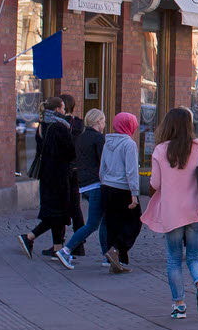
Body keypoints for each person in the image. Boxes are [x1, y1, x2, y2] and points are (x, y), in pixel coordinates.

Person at [143, 106, 198, 319]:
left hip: (171, 213)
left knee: (174, 259)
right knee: (195, 257)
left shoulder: (161, 150)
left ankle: (179, 305)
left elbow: (155, 183)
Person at [23, 96, 80, 260]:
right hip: (59, 175)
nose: (64, 111)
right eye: (62, 108)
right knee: (58, 212)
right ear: (57, 110)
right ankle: (30, 237)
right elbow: (70, 152)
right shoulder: (60, 127)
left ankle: (57, 248)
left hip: (46, 175)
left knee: (56, 212)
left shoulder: (42, 126)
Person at [63, 108, 110, 264]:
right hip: (96, 183)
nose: (104, 124)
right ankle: (66, 250)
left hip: (84, 184)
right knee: (93, 224)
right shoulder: (98, 138)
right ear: (98, 122)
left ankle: (107, 256)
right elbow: (104, 162)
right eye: (103, 121)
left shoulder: (81, 137)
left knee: (103, 220)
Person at [100, 111, 142, 273]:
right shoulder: (129, 144)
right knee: (134, 223)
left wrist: (104, 182)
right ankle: (116, 250)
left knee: (113, 224)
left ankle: (118, 262)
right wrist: (134, 193)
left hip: (107, 187)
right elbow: (131, 171)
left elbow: (102, 167)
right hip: (123, 189)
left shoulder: (107, 141)